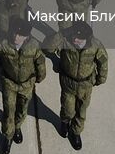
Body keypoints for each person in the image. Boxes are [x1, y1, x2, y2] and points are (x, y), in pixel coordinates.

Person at [46, 20, 107, 151]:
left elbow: (103, 61)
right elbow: (48, 47)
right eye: (74, 36)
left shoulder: (95, 45)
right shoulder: (66, 41)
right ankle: (65, 121)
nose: (75, 40)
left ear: (86, 38)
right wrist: (62, 34)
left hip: (86, 84)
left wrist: (101, 78)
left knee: (81, 111)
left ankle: (76, 132)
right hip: (68, 82)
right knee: (68, 108)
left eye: (79, 39)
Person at [0, 16, 46, 154]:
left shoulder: (33, 46)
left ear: (26, 37)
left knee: (22, 110)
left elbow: (40, 61)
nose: (16, 37)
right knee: (9, 111)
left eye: (21, 35)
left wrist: (41, 76)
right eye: (15, 33)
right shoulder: (4, 44)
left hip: (26, 84)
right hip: (9, 83)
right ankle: (8, 136)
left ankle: (17, 127)